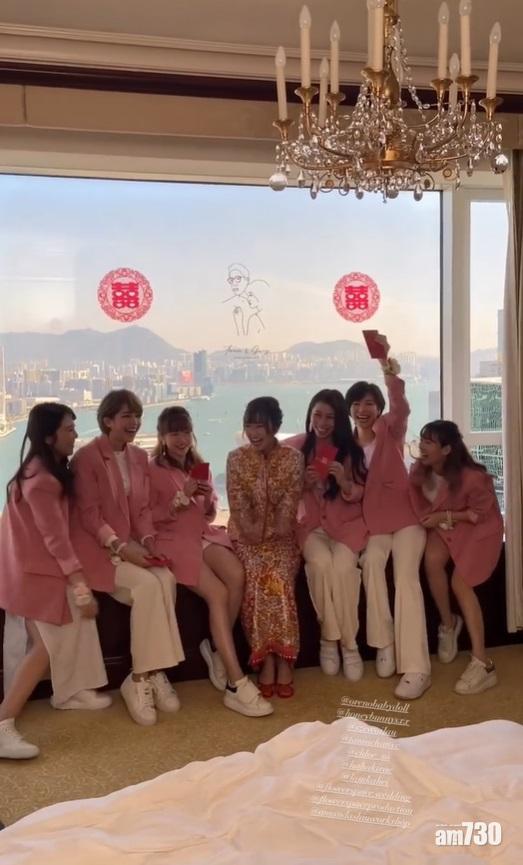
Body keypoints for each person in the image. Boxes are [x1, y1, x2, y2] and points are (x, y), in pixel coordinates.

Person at [0, 403, 109, 760]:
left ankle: (70, 692)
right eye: (69, 429)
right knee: (44, 648)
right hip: (33, 575)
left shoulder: (37, 470)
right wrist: (80, 586)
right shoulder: (43, 481)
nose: (75, 435)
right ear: (49, 437)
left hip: (29, 569)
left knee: (68, 630)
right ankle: (3, 722)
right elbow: (55, 539)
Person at [149, 406, 272, 717]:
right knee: (217, 594)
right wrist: (180, 499)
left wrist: (205, 499)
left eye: (185, 432)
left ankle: (217, 648)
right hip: (174, 543)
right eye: (174, 433)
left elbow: (210, 511)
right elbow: (148, 517)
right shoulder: (153, 470)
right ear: (162, 436)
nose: (181, 439)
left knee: (237, 575)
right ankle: (236, 682)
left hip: (202, 535)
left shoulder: (197, 465)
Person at [71, 389, 184, 726]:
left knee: (166, 578)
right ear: (107, 421)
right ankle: (138, 679)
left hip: (131, 546)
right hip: (99, 551)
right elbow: (89, 515)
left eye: (137, 416)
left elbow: (142, 509)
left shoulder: (137, 457)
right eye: (126, 416)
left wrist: (148, 541)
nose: (134, 422)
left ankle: (154, 670)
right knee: (147, 588)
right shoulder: (86, 458)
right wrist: (121, 547)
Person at [345, 350, 431, 700]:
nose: (362, 409)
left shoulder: (389, 430)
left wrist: (389, 375)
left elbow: (402, 409)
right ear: (350, 409)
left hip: (407, 517)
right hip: (376, 524)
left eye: (369, 403)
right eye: (356, 404)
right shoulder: (348, 447)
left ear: (378, 408)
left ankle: (417, 667)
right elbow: (354, 491)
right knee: (371, 564)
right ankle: (384, 644)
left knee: (406, 578)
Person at [409, 421, 503, 694]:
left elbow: (479, 515)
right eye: (422, 439)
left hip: (480, 530)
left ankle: (483, 664)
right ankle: (449, 624)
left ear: (447, 449)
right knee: (431, 561)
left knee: (459, 584)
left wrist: (443, 516)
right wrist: (435, 517)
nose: (422, 446)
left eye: (429, 442)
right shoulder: (421, 469)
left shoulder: (473, 477)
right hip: (447, 525)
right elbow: (417, 497)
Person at [286, 390, 368, 681]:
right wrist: (302, 484)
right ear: (309, 415)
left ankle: (349, 644)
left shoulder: (350, 450)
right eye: (317, 415)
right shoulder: (297, 447)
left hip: (346, 525)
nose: (322, 423)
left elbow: (362, 493)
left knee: (343, 569)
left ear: (339, 420)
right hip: (311, 527)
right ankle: (330, 639)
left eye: (330, 417)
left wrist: (343, 482)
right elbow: (277, 480)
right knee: (320, 565)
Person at [226, 397, 304, 698]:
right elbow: (238, 506)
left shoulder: (293, 458)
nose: (254, 432)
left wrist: (271, 532)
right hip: (245, 539)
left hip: (282, 539)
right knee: (257, 575)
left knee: (279, 579)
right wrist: (254, 534)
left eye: (260, 425)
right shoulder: (236, 459)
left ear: (275, 426)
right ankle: (265, 659)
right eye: (249, 425)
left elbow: (288, 510)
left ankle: (284, 658)